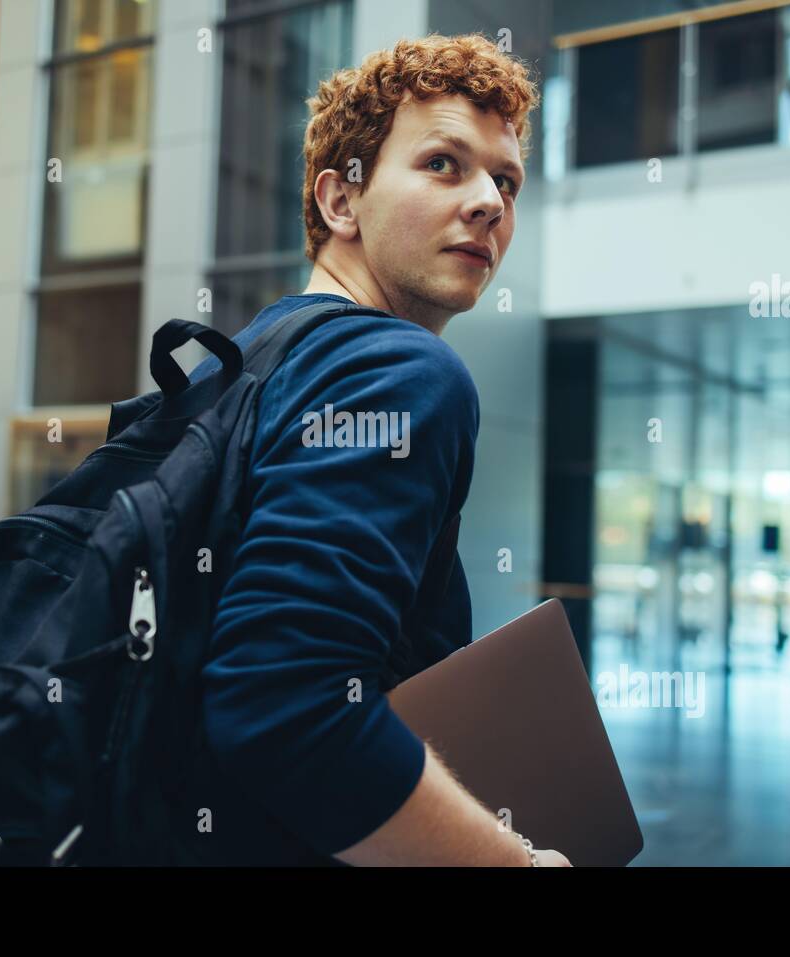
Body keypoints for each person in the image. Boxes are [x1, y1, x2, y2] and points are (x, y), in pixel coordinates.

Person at [176, 33, 569, 867]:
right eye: (443, 164)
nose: (491, 203)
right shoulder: (400, 371)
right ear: (340, 202)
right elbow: (286, 707)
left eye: (505, 181)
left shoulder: (244, 362)